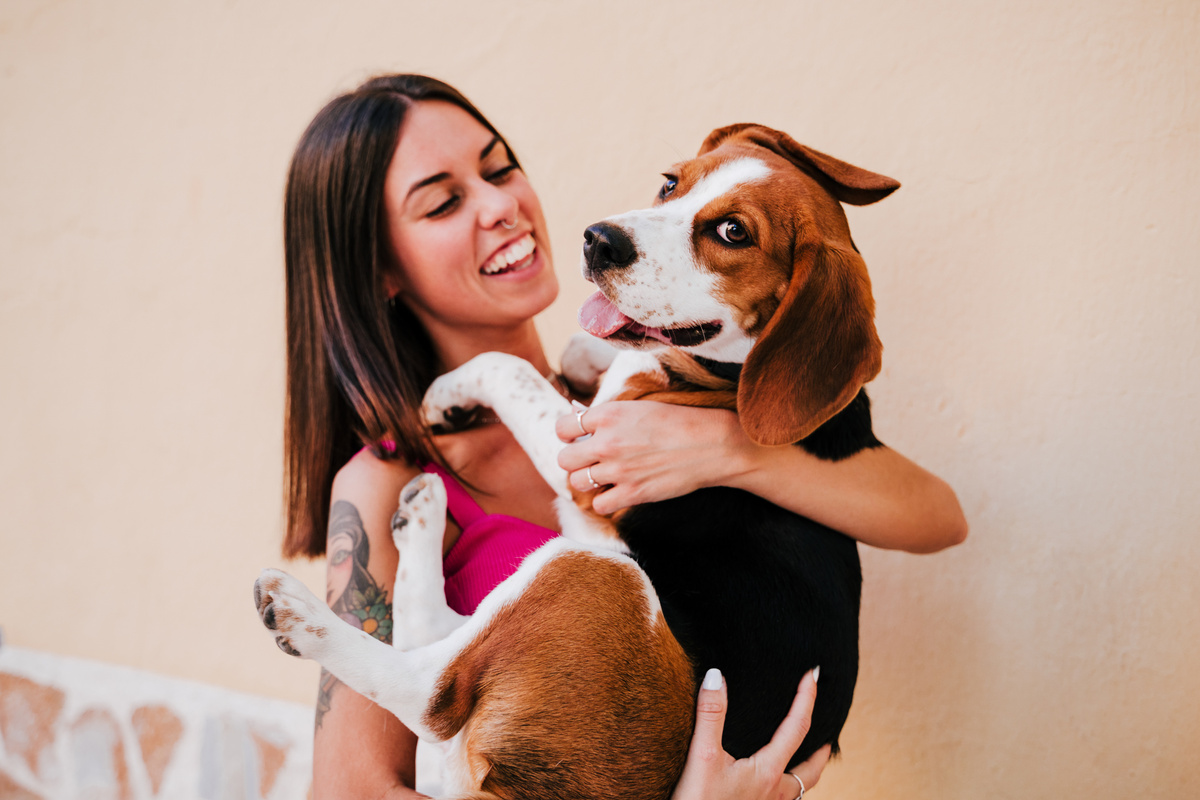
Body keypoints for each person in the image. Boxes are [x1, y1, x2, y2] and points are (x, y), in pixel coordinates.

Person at [281, 73, 967, 800]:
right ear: (381, 268)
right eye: (445, 202)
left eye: (499, 166)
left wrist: (732, 454)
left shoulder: (674, 385)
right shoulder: (385, 481)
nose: (501, 206)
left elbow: (938, 516)